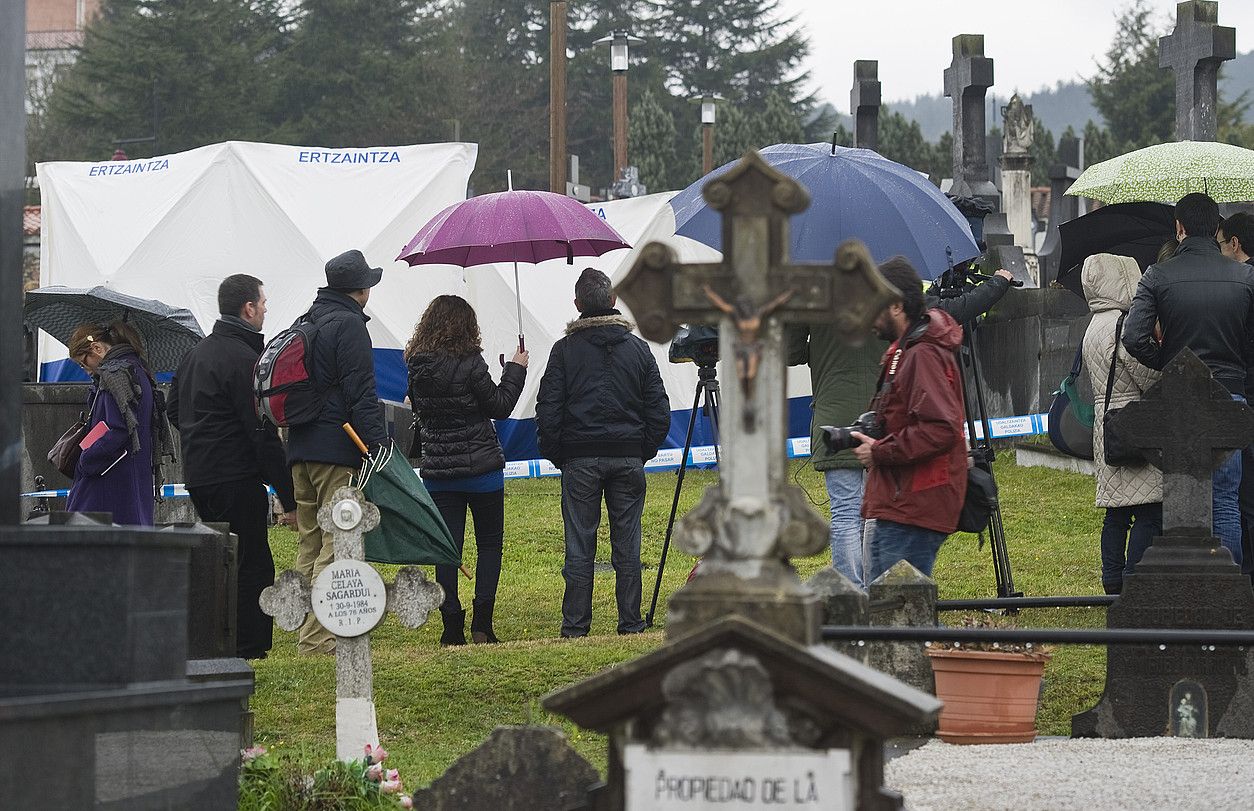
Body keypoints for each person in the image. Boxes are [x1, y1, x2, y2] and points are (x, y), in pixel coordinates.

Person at [786, 266, 1012, 589]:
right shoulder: (902, 340)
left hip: (895, 477)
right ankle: (867, 603)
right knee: (870, 525)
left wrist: (821, 350)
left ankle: (854, 596)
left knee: (848, 516)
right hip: (894, 474)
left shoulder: (917, 352)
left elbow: (938, 428)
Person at [168, 274, 297, 660]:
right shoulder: (245, 360)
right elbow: (261, 433)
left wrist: (202, 436)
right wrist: (289, 498)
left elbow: (174, 409)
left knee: (216, 558)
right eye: (263, 304)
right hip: (236, 475)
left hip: (200, 474)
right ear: (248, 308)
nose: (265, 311)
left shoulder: (196, 353)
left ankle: (213, 640)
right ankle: (249, 646)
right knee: (252, 562)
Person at [536, 267, 670, 638]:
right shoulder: (639, 350)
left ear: (578, 305)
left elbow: (548, 409)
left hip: (579, 459)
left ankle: (576, 627)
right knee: (628, 544)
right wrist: (641, 451)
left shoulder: (563, 351)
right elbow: (658, 410)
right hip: (627, 457)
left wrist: (559, 454)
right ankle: (630, 623)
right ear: (613, 302)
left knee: (579, 545)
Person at [1123, 193, 1254, 567]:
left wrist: (1167, 362)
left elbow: (1134, 337)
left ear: (1179, 228)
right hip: (1230, 394)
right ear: (1216, 230)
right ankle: (1228, 592)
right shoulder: (1246, 277)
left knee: (1182, 499)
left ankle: (1187, 583)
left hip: (1180, 397)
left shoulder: (1157, 275)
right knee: (1226, 500)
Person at [405, 295, 527, 646]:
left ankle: (451, 626)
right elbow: (499, 406)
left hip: (439, 474)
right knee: (489, 546)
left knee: (447, 549)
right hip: (482, 470)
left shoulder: (416, 364)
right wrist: (515, 369)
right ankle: (482, 626)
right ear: (467, 327)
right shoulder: (471, 362)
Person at [286, 249, 390, 655]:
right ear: (360, 289)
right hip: (335, 448)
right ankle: (317, 637)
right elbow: (361, 392)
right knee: (338, 542)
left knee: (311, 541)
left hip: (300, 447)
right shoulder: (348, 325)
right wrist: (379, 446)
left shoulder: (306, 319)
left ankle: (303, 628)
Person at [849, 257, 968, 581]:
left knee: (900, 616)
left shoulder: (922, 354)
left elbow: (941, 428)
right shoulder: (905, 351)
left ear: (897, 306)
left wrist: (879, 451)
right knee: (891, 613)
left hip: (913, 505)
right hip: (898, 501)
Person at [1080, 254, 1162, 595]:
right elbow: (1146, 376)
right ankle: (1134, 580)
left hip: (1106, 423)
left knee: (1116, 512)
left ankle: (1112, 579)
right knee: (1149, 510)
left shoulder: (1094, 325)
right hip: (1134, 419)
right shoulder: (1123, 324)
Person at [65, 321, 158, 525]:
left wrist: (86, 459)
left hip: (110, 479)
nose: (85, 370)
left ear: (97, 349)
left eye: (83, 362)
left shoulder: (115, 375)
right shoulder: (136, 371)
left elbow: (118, 428)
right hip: (132, 478)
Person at [1220, 213, 1254, 582]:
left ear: (1235, 244)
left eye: (1221, 242)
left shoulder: (1243, 285)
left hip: (1246, 394)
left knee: (1242, 495)